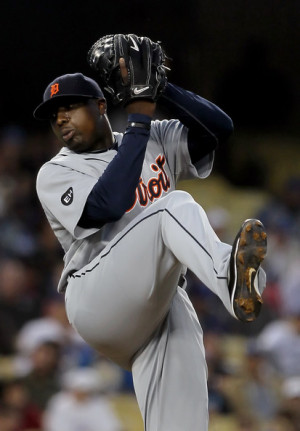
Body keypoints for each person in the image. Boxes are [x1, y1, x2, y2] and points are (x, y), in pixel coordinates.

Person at [33, 35, 267, 431]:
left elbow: (219, 129)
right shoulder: (55, 171)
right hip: (99, 297)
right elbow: (106, 204)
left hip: (158, 302)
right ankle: (231, 278)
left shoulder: (151, 137)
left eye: (69, 106)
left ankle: (232, 281)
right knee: (173, 207)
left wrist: (159, 87)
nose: (60, 119)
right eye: (54, 114)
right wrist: (140, 116)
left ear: (101, 106)